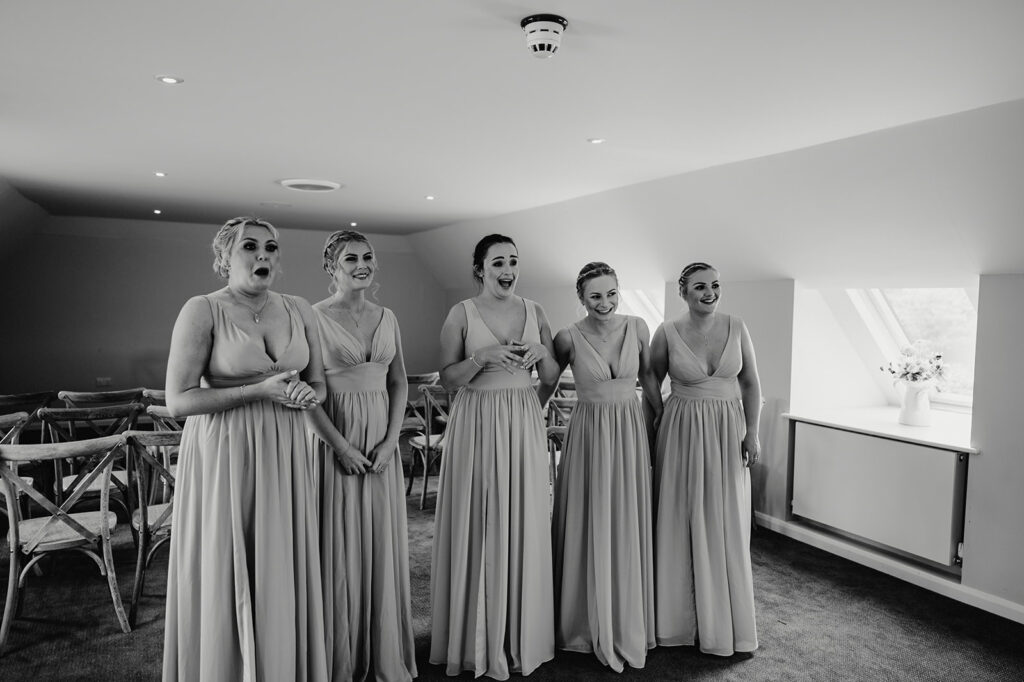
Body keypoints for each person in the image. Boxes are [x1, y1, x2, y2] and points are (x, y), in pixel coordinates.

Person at [162, 216, 329, 681]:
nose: (263, 256)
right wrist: (258, 392)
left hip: (288, 447)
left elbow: (318, 382)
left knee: (281, 560)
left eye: (271, 248)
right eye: (249, 246)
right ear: (224, 257)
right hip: (226, 449)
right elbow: (178, 401)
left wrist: (307, 396)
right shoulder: (202, 309)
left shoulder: (299, 308)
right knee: (227, 560)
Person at [429, 234, 559, 680]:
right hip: (477, 418)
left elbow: (551, 377)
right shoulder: (460, 313)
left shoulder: (535, 310)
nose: (508, 269)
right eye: (498, 262)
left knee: (523, 515)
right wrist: (480, 358)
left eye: (514, 261)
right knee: (480, 516)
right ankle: (476, 633)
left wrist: (543, 356)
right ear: (480, 269)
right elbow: (446, 379)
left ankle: (521, 630)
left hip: (522, 417)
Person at [305, 230, 417, 681]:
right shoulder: (312, 318)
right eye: (350, 258)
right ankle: (342, 655)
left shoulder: (387, 315)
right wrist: (342, 447)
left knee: (381, 540)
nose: (362, 264)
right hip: (337, 437)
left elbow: (399, 382)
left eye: (368, 257)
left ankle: (383, 645)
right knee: (340, 544)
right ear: (332, 267)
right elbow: (309, 394)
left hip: (381, 443)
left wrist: (392, 440)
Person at [546, 262, 662, 671]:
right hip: (590, 432)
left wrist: (661, 421)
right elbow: (544, 385)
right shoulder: (567, 337)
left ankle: (625, 614)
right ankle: (582, 620)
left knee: (626, 517)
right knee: (587, 517)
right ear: (581, 298)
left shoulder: (639, 327)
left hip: (629, 428)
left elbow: (648, 379)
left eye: (611, 293)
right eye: (595, 295)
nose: (605, 303)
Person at [651, 261, 762, 657]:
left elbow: (750, 382)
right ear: (684, 292)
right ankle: (679, 622)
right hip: (681, 429)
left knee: (726, 518)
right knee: (680, 518)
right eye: (700, 287)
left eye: (715, 285)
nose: (710, 292)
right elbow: (651, 375)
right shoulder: (667, 331)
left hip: (728, 431)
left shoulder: (737, 325)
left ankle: (725, 622)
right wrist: (658, 411)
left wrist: (753, 431)